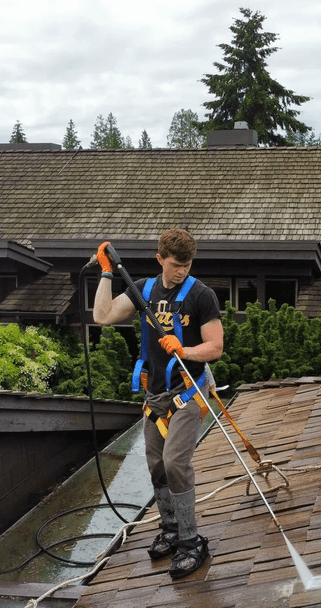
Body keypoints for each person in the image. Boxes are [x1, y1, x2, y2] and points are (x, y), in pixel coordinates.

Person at [92, 228, 223, 580]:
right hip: (156, 396)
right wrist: (106, 272)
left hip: (188, 392)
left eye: (187, 264)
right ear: (160, 259)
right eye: (175, 264)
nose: (181, 270)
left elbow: (215, 347)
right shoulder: (144, 291)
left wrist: (186, 351)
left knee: (175, 462)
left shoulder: (201, 295)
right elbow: (102, 316)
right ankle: (169, 528)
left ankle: (191, 541)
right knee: (156, 466)